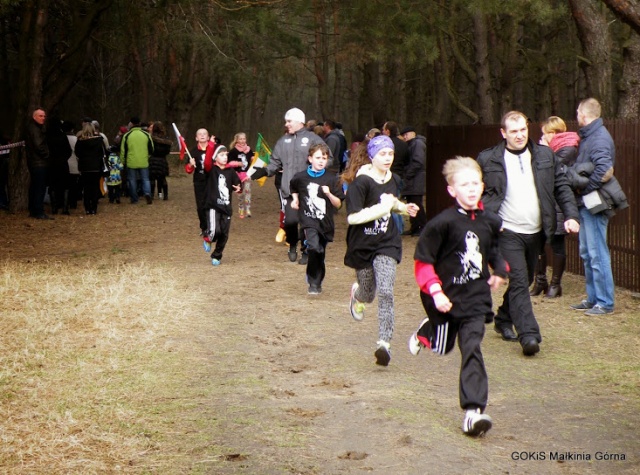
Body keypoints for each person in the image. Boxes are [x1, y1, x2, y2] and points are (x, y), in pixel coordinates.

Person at [408, 156, 508, 437]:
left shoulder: (491, 221)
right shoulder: (441, 224)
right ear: (452, 190)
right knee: (443, 348)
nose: (472, 189)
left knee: (472, 348)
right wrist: (436, 292)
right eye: (465, 185)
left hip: (475, 299)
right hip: (444, 298)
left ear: (482, 186)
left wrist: (500, 270)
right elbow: (423, 263)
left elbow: (494, 250)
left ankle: (473, 412)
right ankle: (427, 331)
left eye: (476, 183)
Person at [477, 111, 579, 356]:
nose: (520, 135)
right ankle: (529, 335)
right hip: (506, 230)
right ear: (503, 133)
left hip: (536, 231)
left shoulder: (544, 155)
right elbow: (475, 192)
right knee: (521, 280)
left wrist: (571, 215)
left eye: (523, 129)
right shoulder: (488, 159)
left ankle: (503, 318)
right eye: (513, 131)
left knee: (525, 280)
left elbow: (561, 186)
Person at [343, 135, 419, 366]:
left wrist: (403, 208)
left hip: (387, 243)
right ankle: (357, 295)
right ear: (372, 156)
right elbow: (353, 217)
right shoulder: (360, 183)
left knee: (386, 291)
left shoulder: (393, 178)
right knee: (369, 293)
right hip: (362, 245)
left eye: (391, 154)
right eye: (383, 154)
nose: (388, 158)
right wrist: (383, 208)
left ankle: (384, 344)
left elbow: (390, 201)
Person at [249, 107, 328, 265]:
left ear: (299, 121)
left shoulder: (313, 139)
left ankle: (306, 250)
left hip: (310, 190)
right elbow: (274, 163)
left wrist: (317, 167)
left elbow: (328, 158)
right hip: (290, 190)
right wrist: (264, 171)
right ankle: (292, 243)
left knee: (307, 223)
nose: (286, 124)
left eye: (289, 121)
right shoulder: (282, 141)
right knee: (290, 222)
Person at [569, 98, 616, 315]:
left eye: (578, 112)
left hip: (595, 202)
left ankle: (605, 302)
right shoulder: (589, 136)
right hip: (586, 202)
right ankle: (593, 298)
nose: (576, 115)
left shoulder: (599, 138)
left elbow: (605, 170)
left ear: (584, 114)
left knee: (597, 252)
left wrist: (585, 188)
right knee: (588, 252)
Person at [531, 116, 580, 298]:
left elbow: (548, 170)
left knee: (557, 244)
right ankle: (540, 280)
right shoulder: (554, 149)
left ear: (553, 133)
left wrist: (543, 149)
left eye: (545, 133)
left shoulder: (567, 150)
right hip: (545, 202)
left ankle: (555, 284)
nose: (542, 137)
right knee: (538, 243)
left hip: (558, 204)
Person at [290, 143, 345, 294]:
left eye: (324, 158)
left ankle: (317, 280)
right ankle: (313, 283)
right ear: (310, 159)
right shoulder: (300, 177)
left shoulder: (332, 179)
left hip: (325, 223)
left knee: (320, 252)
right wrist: (295, 200)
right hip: (308, 220)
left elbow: (338, 204)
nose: (321, 161)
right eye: (318, 157)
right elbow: (293, 187)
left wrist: (328, 194)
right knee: (313, 247)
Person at [201, 143, 241, 266]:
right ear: (215, 157)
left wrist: (238, 187)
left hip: (226, 207)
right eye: (221, 155)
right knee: (215, 231)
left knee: (224, 234)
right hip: (213, 206)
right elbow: (207, 163)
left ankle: (217, 255)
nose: (225, 157)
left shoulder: (231, 171)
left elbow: (237, 183)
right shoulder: (211, 170)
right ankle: (208, 238)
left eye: (226, 155)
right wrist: (210, 145)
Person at [185, 128, 216, 235]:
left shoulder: (214, 149)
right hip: (199, 181)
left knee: (212, 203)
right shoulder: (193, 152)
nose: (202, 135)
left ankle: (213, 226)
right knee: (201, 205)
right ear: (196, 138)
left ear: (208, 137)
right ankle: (204, 227)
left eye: (204, 134)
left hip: (212, 180)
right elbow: (188, 170)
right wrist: (190, 164)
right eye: (200, 134)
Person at [75, 122, 107, 215]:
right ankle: (94, 207)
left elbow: (77, 153)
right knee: (95, 187)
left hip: (85, 167)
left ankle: (87, 208)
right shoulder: (99, 140)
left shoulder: (80, 142)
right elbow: (103, 153)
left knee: (86, 188)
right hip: (96, 166)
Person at [25, 108, 52, 219]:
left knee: (35, 186)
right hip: (38, 162)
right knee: (39, 187)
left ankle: (34, 210)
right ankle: (38, 211)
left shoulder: (34, 128)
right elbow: (39, 145)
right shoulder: (34, 129)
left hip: (36, 161)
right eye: (40, 116)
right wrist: (47, 155)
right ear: (34, 117)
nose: (43, 118)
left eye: (44, 116)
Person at [400, 126, 427, 236]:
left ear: (413, 134)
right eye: (403, 135)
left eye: (406, 134)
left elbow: (418, 162)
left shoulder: (417, 144)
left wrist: (408, 174)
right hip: (414, 179)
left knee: (416, 203)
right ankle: (415, 227)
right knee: (412, 203)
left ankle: (422, 227)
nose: (404, 137)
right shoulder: (413, 144)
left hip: (416, 179)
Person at [120, 116, 153, 204]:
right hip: (143, 160)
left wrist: (122, 161)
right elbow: (151, 148)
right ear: (139, 123)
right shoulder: (146, 135)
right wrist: (147, 156)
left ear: (131, 124)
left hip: (131, 161)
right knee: (145, 179)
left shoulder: (127, 135)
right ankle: (147, 193)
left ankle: (134, 198)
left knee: (132, 180)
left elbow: (123, 150)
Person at [227, 132, 253, 218]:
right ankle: (241, 208)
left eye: (244, 139)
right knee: (240, 193)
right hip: (237, 175)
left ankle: (248, 209)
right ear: (237, 140)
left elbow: (252, 158)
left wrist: (253, 159)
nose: (242, 141)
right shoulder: (233, 151)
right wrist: (237, 163)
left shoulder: (249, 150)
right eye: (240, 139)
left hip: (247, 174)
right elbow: (229, 163)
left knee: (248, 191)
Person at [149, 121, 172, 200]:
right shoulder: (166, 139)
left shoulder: (151, 138)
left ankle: (152, 195)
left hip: (153, 159)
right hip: (162, 159)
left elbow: (149, 149)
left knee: (152, 179)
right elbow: (168, 151)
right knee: (163, 178)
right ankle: (165, 195)